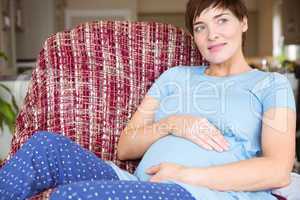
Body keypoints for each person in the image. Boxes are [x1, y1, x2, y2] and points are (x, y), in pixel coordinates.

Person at [0, 0, 296, 199]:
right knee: (44, 146)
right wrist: (172, 124)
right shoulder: (175, 76)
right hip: (135, 184)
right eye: (200, 27)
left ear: (243, 22)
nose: (211, 35)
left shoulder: (272, 85)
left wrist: (184, 174)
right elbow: (126, 146)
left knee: (72, 195)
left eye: (222, 21)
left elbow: (277, 168)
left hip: (201, 192)